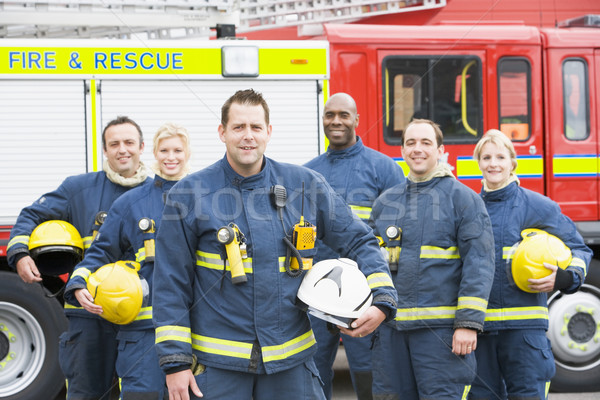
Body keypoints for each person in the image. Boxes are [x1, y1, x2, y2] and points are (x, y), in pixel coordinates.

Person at [151, 88, 398, 400]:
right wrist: (175, 363)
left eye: (256, 127)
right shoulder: (189, 195)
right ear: (222, 132)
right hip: (217, 369)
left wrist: (382, 297)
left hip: (291, 367)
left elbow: (359, 238)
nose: (247, 136)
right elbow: (170, 286)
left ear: (268, 132)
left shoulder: (305, 185)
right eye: (238, 127)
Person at [6, 116, 149, 399]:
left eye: (129, 142)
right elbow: (31, 215)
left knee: (142, 394)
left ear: (142, 146)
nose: (123, 149)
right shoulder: (78, 189)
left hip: (142, 317)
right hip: (88, 315)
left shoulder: (158, 192)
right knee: (87, 392)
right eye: (114, 144)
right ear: (105, 151)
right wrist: (20, 253)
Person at [62, 122, 192, 399]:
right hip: (142, 334)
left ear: (188, 153)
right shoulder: (130, 203)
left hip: (194, 332)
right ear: (153, 153)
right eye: (165, 150)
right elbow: (100, 252)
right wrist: (78, 283)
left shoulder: (205, 199)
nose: (171, 157)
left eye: (178, 150)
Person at [369, 118, 495, 400]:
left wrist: (467, 323)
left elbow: (479, 265)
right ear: (401, 151)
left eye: (426, 142)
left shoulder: (463, 199)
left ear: (440, 150)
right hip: (391, 333)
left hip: (441, 336)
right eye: (410, 143)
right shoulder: (385, 203)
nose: (418, 149)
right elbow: (370, 263)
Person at [469, 129, 592, 400]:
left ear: (512, 162)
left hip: (524, 334)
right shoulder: (469, 208)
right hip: (480, 332)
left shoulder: (538, 206)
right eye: (486, 157)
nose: (493, 164)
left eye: (500, 157)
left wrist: (565, 278)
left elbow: (579, 249)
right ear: (478, 162)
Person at [304, 92, 405, 400]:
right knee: (312, 369)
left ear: (357, 120)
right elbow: (302, 232)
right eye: (330, 114)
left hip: (364, 294)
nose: (336, 121)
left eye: (344, 115)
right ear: (322, 119)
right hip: (316, 293)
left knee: (369, 372)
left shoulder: (384, 169)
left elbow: (397, 234)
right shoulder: (307, 173)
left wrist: (385, 292)